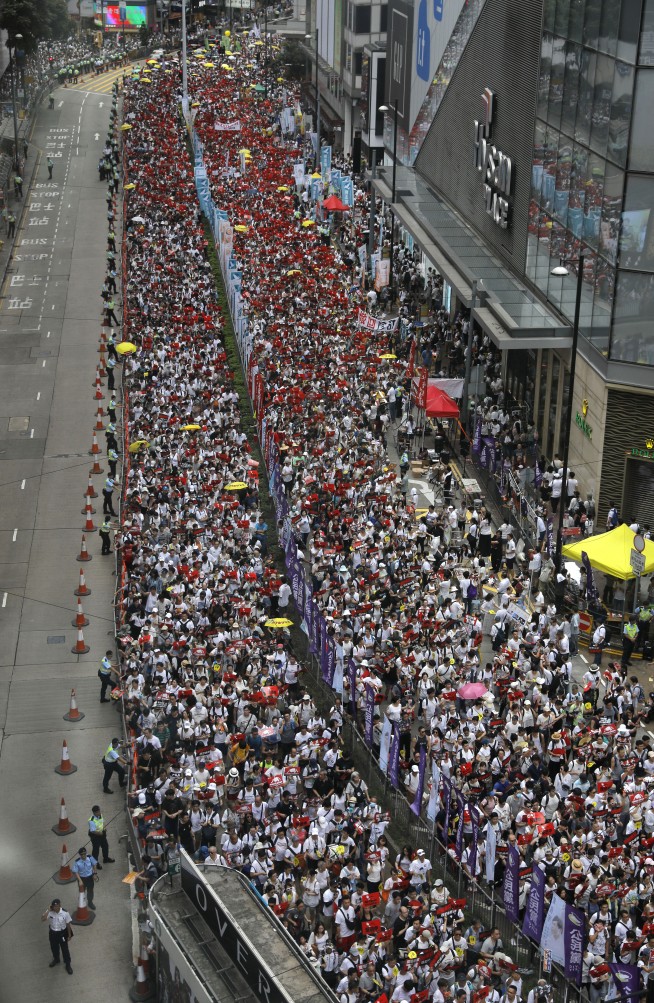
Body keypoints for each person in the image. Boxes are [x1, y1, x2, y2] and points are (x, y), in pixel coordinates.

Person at [41, 898, 73, 973]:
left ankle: (68, 964)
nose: (55, 908)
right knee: (54, 948)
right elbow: (43, 919)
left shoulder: (65, 913)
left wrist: (69, 935)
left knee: (65, 949)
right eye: (54, 906)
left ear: (60, 905)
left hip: (62, 933)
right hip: (52, 933)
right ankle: (56, 959)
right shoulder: (50, 912)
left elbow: (68, 924)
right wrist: (48, 910)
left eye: (57, 906)